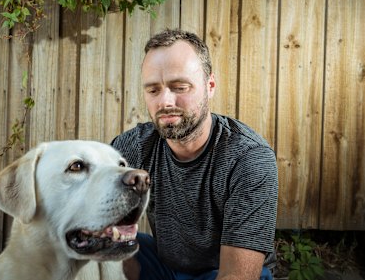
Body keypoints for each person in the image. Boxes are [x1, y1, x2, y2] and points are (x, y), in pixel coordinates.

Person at [111, 29, 278, 280]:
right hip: (166, 265)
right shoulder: (134, 146)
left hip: (221, 270)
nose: (166, 101)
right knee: (106, 251)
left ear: (209, 86)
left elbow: (237, 276)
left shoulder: (248, 158)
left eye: (180, 87)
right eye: (153, 90)